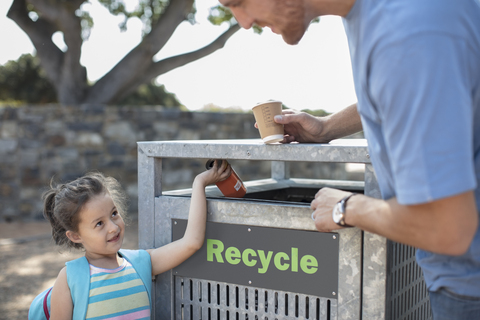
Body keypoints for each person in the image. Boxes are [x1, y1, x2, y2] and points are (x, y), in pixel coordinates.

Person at [219, 0, 480, 318]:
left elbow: (447, 227)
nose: (242, 22)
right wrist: (327, 127)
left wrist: (346, 208)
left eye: (237, 2)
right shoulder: (393, 16)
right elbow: (411, 84)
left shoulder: (407, 34)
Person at [39, 162, 230, 319]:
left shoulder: (140, 263)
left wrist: (199, 183)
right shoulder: (69, 278)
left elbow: (192, 242)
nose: (113, 227)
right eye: (99, 224)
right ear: (75, 236)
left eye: (114, 214)